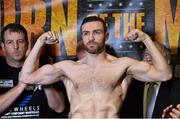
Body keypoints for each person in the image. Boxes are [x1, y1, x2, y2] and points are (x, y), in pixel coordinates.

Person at [19, 16, 172, 118]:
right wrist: (39, 42)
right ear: (82, 37)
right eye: (86, 33)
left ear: (106, 36)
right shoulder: (68, 68)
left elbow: (164, 74)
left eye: (96, 32)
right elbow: (26, 77)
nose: (90, 38)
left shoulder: (122, 65)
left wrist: (146, 39)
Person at [0, 23, 67, 118]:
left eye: (20, 41)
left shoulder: (42, 67)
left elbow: (60, 107)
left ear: (27, 44)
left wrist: (43, 81)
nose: (16, 47)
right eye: (10, 42)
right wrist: (22, 84)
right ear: (3, 47)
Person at [120, 41, 180, 118]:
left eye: (156, 55)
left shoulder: (177, 86)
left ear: (167, 61)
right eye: (146, 55)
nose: (149, 59)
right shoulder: (130, 85)